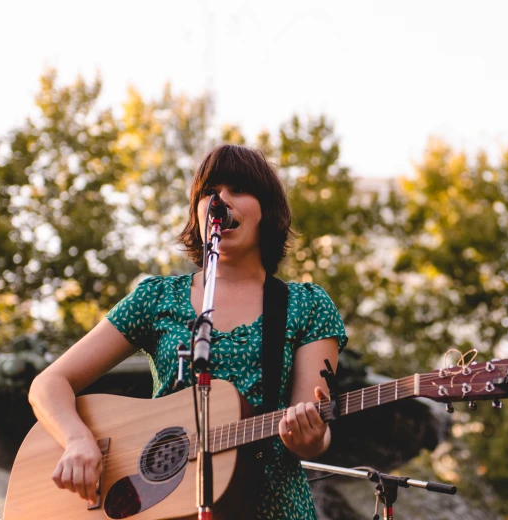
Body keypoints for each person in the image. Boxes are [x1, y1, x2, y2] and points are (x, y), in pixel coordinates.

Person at [28, 144, 348, 519]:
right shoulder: (156, 297)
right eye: (210, 191)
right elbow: (48, 384)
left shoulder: (305, 305)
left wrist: (311, 438)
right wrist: (77, 439)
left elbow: (311, 429)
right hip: (163, 508)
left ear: (266, 211)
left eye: (238, 190)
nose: (220, 200)